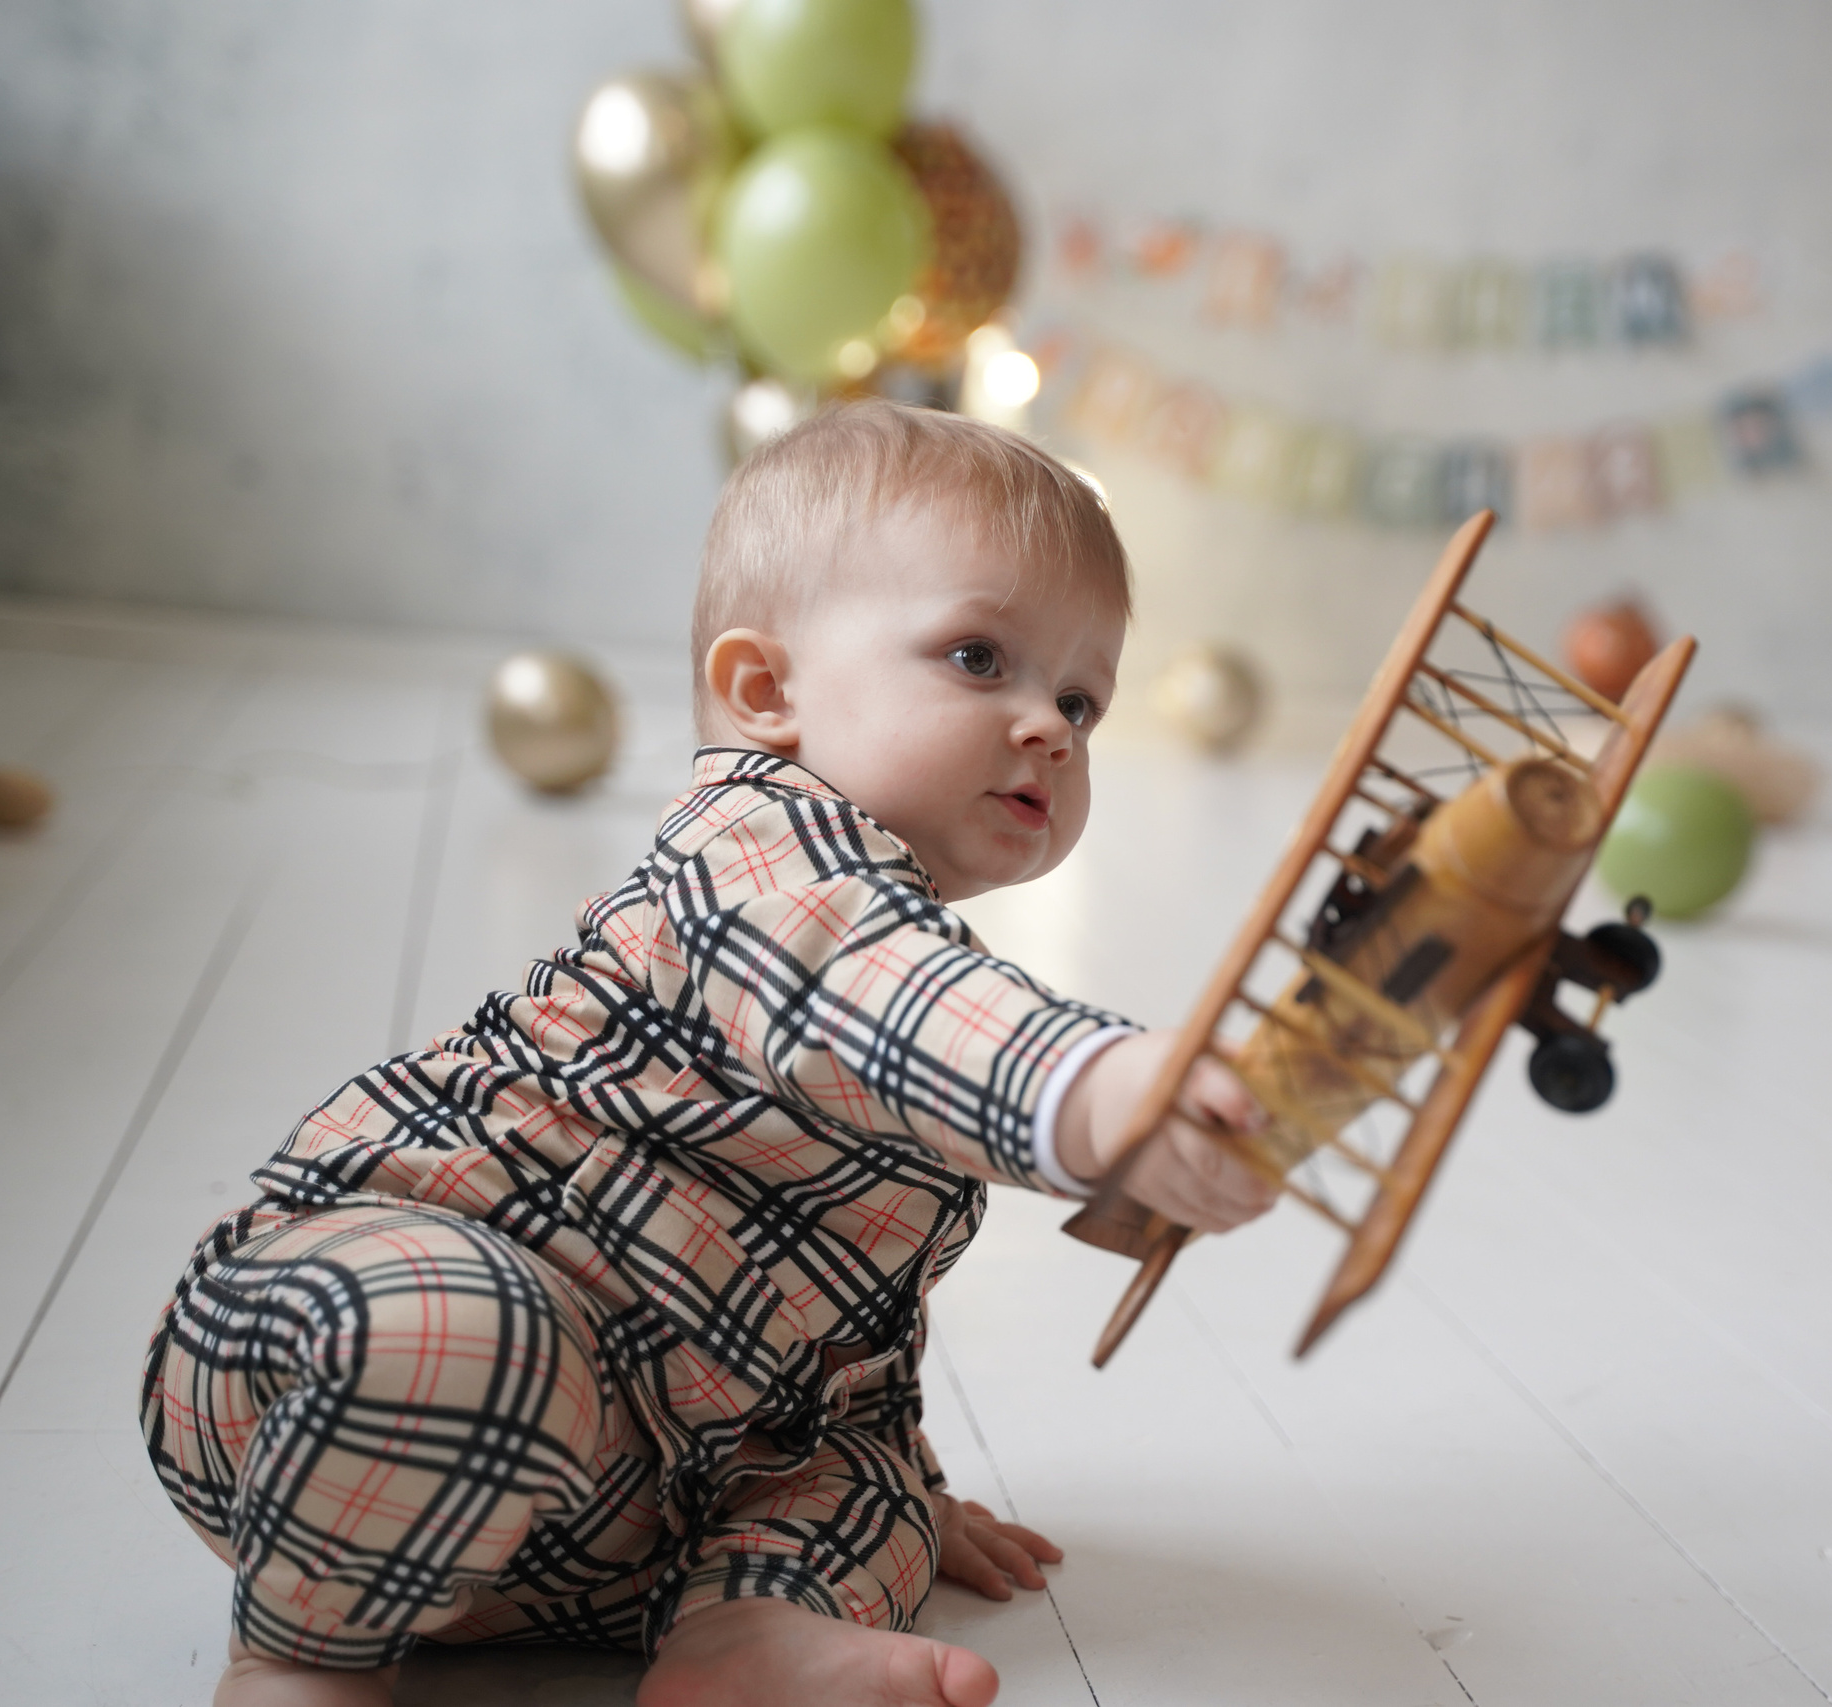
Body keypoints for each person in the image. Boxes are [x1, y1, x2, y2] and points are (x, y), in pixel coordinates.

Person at [140, 400, 1279, 1707]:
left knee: (859, 1480)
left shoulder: (910, 948)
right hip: (329, 1375)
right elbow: (888, 1003)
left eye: (1081, 696)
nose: (1052, 727)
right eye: (981, 658)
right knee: (467, 1335)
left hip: (599, 1512)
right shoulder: (754, 858)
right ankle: (295, 1659)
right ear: (766, 692)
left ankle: (742, 1633)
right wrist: (1106, 1090)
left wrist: (902, 1489)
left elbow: (838, 1336)